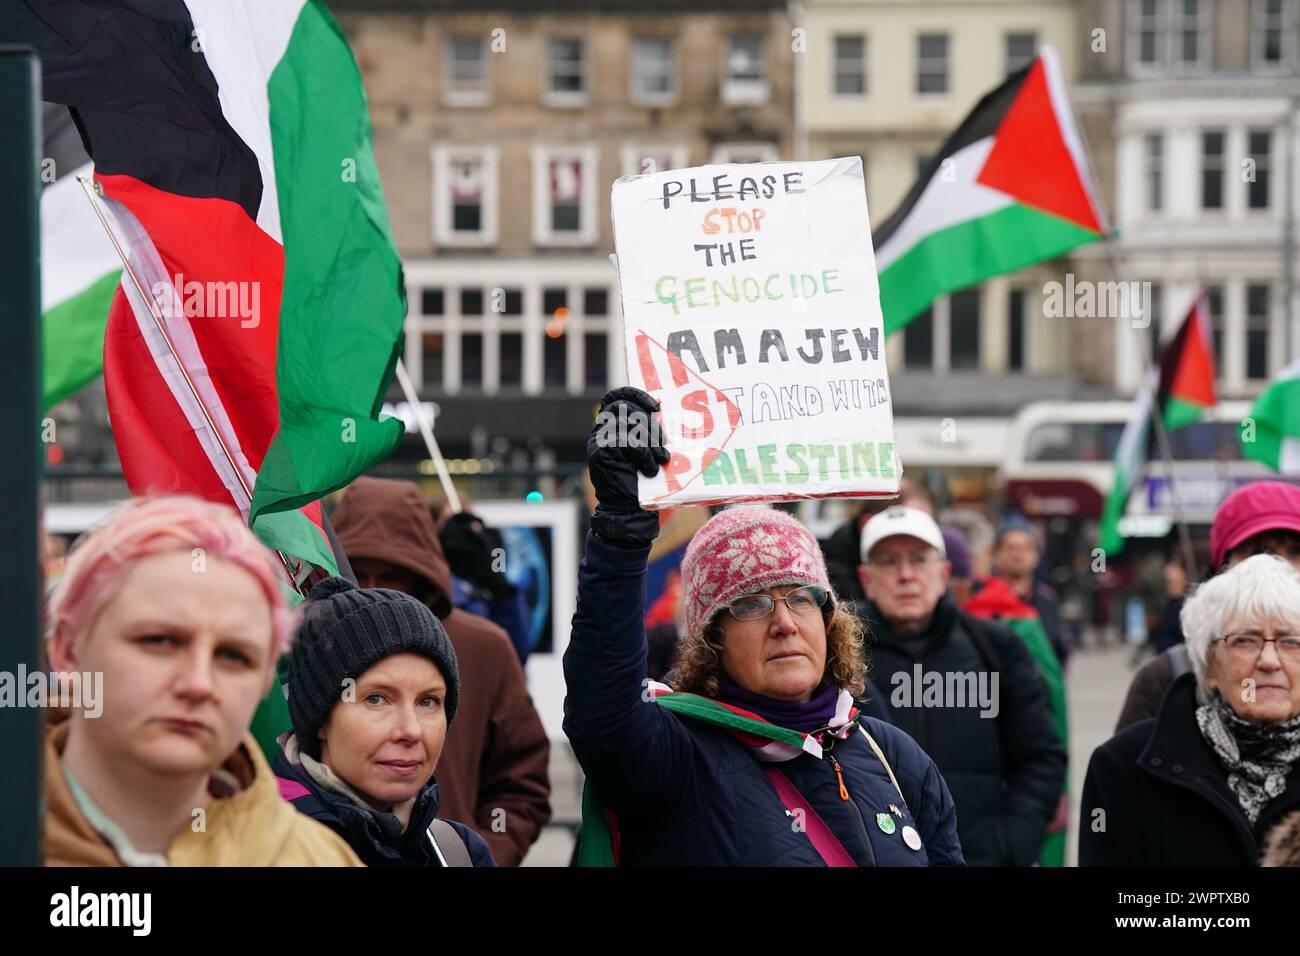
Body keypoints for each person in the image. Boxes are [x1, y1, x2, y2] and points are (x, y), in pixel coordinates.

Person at [566, 388, 963, 866]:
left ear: (828, 621)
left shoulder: (894, 757)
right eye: (751, 605)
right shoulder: (677, 758)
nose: (784, 624)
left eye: (801, 598)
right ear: (712, 640)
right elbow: (602, 714)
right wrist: (619, 532)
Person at [43, 496, 362, 867]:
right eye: (159, 641)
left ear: (264, 679)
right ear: (67, 651)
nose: (198, 684)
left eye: (234, 656)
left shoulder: (320, 858)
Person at [329, 476, 551, 866]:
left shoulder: (482, 646)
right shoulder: (311, 646)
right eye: (358, 572)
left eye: (391, 575)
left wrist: (477, 853)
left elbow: (521, 779)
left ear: (419, 574)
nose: (373, 590)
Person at [856, 506, 1066, 866]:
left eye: (919, 559)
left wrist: (1011, 844)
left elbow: (1040, 757)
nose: (906, 575)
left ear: (943, 574)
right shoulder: (842, 662)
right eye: (889, 562)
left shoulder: (996, 648)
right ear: (866, 580)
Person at [1080, 554, 1300, 865]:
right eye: (1245, 641)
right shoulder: (1124, 767)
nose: (1269, 660)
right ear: (1209, 666)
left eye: (1290, 642)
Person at [275, 577, 495, 867]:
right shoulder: (255, 850)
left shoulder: (458, 853)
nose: (411, 730)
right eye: (376, 699)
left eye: (428, 701)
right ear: (319, 719)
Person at [1115, 481, 1300, 732]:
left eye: (1296, 552)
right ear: (1222, 569)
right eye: (1261, 552)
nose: (1280, 567)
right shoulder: (1168, 676)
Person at [992, 518, 1069, 667]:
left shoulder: (1048, 599)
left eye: (1025, 548)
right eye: (1010, 548)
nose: (1017, 554)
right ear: (997, 554)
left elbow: (1058, 650)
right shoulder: (985, 599)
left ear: (1037, 556)